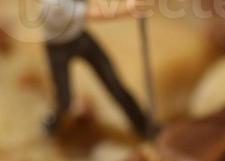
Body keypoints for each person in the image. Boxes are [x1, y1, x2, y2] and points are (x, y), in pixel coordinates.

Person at [39, 0, 154, 138]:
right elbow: (93, 14)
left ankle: (144, 126)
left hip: (80, 37)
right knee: (64, 100)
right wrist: (129, 9)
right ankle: (54, 123)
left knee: (113, 82)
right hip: (58, 48)